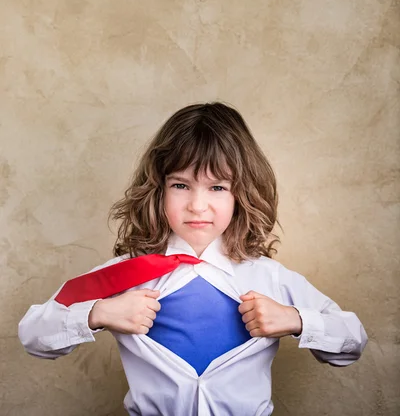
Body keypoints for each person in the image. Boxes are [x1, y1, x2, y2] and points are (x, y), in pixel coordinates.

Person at [18, 102, 367, 416]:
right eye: (181, 185)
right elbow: (33, 334)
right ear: (158, 189)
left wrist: (296, 319)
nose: (197, 206)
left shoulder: (270, 278)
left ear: (241, 194)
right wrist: (97, 313)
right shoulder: (125, 274)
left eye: (217, 187)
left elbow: (352, 342)